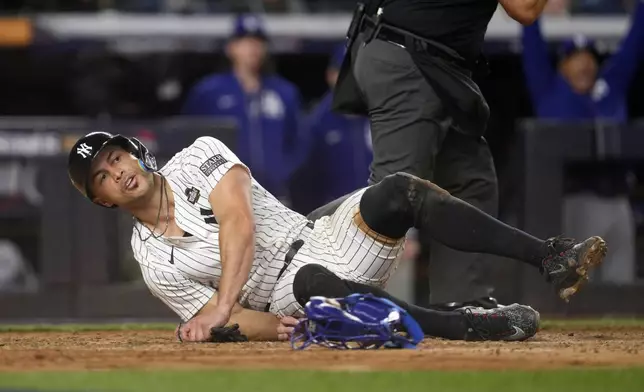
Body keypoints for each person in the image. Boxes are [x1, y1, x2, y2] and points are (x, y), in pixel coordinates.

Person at [67, 131, 606, 343]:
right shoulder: (151, 260)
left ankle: (550, 256)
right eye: (104, 177)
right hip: (290, 290)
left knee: (399, 191)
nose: (118, 172)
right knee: (311, 285)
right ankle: (470, 320)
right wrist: (270, 327)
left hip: (318, 231)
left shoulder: (197, 156)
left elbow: (239, 223)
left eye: (118, 157)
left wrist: (223, 305)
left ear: (135, 151)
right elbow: (213, 316)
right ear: (102, 199)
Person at [311, 0, 551, 309]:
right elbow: (525, 8)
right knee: (392, 196)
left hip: (432, 63)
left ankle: (463, 303)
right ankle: (329, 298)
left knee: (470, 181)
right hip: (408, 55)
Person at [521, 0, 644, 284]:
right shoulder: (549, 90)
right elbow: (532, 44)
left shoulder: (610, 87)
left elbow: (635, 42)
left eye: (589, 57)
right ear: (562, 65)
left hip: (618, 200)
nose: (583, 63)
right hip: (575, 199)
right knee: (578, 282)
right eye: (574, 57)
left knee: (620, 282)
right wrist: (532, 9)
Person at [181, 13, 304, 204]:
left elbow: (299, 142)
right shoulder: (209, 92)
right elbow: (188, 142)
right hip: (223, 197)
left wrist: (282, 173)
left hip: (274, 196)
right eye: (245, 42)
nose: (252, 48)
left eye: (258, 42)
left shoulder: (284, 92)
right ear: (231, 48)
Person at [291, 45, 372, 214]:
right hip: (330, 221)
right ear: (331, 76)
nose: (351, 80)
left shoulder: (380, 115)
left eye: (356, 72)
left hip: (377, 219)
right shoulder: (316, 122)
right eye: (344, 73)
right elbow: (304, 184)